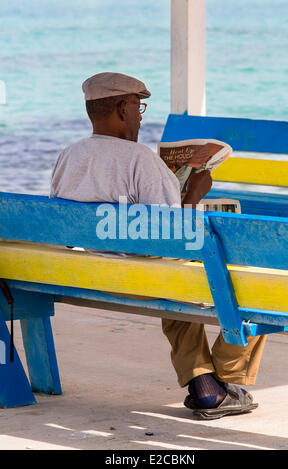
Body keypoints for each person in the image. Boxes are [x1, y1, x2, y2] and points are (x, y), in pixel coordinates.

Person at [50, 72, 266, 420]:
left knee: (170, 280)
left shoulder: (69, 155)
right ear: (122, 108)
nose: (139, 115)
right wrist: (194, 193)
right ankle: (224, 380)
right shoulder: (139, 159)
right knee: (253, 282)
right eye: (138, 107)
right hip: (141, 280)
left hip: (84, 274)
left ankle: (203, 382)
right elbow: (173, 237)